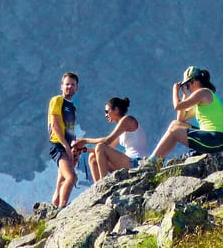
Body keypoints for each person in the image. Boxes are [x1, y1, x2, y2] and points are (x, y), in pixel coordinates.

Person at [146, 66, 223, 162]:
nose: (188, 88)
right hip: (217, 138)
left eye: (187, 85)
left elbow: (177, 106)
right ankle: (156, 159)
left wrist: (175, 91)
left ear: (195, 82)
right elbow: (180, 119)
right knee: (175, 124)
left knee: (175, 130)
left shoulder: (203, 92)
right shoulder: (201, 99)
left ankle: (152, 161)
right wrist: (185, 95)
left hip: (216, 139)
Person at [75, 96, 148, 180]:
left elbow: (107, 141)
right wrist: (84, 150)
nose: (105, 115)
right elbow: (105, 149)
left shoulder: (127, 120)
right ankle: (98, 186)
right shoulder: (121, 130)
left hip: (137, 163)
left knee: (100, 146)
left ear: (116, 110)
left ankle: (103, 182)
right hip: (128, 163)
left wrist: (85, 140)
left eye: (107, 111)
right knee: (93, 157)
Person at [47, 71, 80, 207]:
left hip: (68, 146)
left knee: (61, 180)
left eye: (72, 85)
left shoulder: (73, 108)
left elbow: (70, 129)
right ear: (61, 86)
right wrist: (66, 146)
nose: (69, 87)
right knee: (71, 178)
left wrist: (74, 148)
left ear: (76, 88)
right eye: (67, 84)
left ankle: (54, 207)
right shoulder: (57, 100)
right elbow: (55, 125)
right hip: (59, 145)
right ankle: (62, 209)